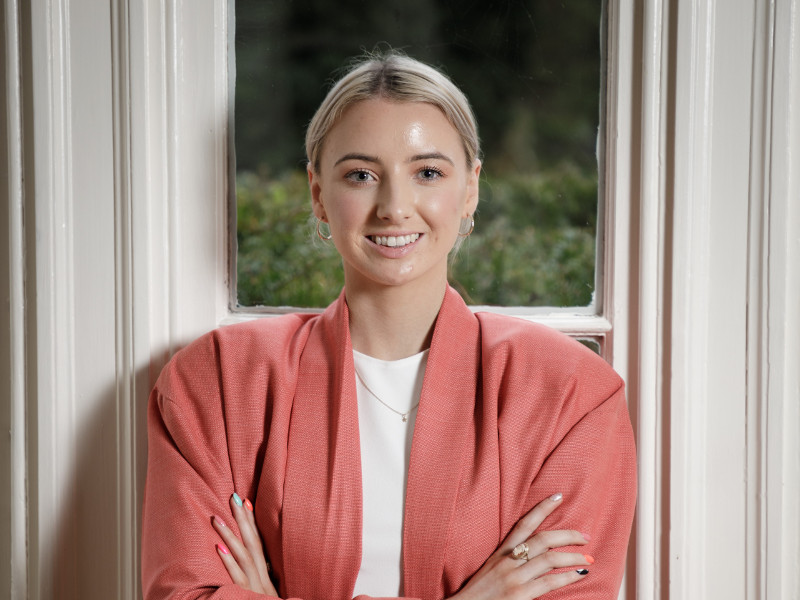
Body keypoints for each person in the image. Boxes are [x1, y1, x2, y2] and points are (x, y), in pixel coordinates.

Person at [141, 51, 636, 600]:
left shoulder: (570, 394)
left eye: (427, 172)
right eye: (360, 175)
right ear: (318, 193)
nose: (395, 207)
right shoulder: (218, 381)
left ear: (469, 188)